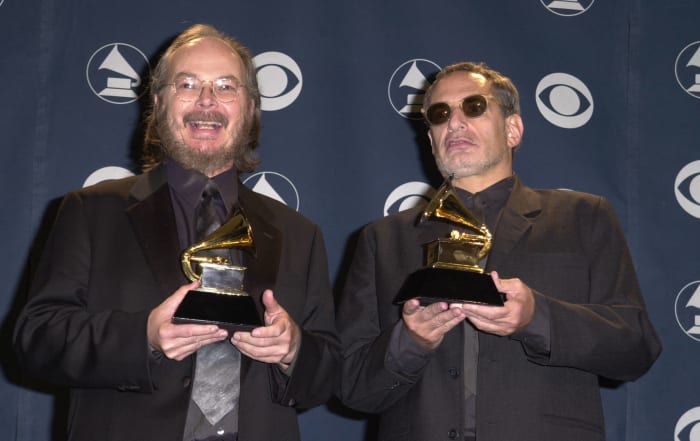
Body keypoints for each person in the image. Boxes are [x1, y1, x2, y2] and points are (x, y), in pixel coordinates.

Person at [14, 24, 338, 441]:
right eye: (187, 84)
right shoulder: (90, 212)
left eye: (226, 86)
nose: (207, 100)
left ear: (251, 108)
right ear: (158, 102)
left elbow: (328, 372)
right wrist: (143, 337)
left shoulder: (298, 233)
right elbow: (37, 340)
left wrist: (293, 350)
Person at [337, 61, 661, 441]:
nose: (455, 123)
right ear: (431, 140)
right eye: (440, 114)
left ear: (513, 129)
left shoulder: (582, 218)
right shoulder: (383, 239)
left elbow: (635, 348)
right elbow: (351, 385)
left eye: (473, 107)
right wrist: (410, 342)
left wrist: (537, 318)